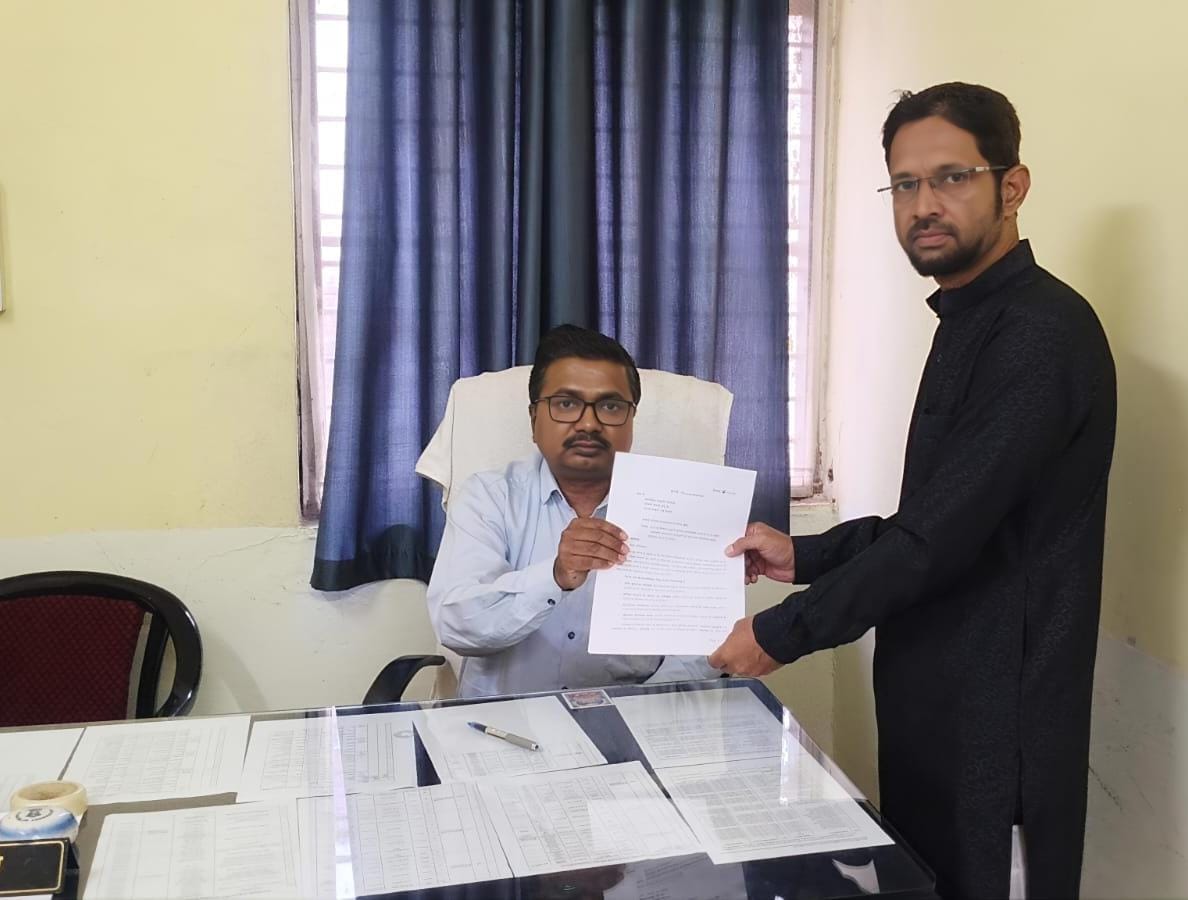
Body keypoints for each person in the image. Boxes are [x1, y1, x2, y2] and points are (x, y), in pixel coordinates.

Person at [708, 83, 1117, 900]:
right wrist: (804, 555)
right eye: (905, 183)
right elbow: (934, 518)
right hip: (932, 717)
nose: (924, 204)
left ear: (1012, 186)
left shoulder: (1040, 334)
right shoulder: (969, 320)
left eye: (952, 177)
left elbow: (937, 538)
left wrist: (781, 633)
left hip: (998, 740)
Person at [428, 324, 718, 698]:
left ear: (631, 421)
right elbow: (457, 624)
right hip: (505, 722)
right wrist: (555, 576)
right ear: (534, 419)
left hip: (633, 719)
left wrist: (639, 709)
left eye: (610, 406)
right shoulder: (488, 498)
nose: (588, 423)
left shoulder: (679, 510)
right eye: (566, 404)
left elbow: (699, 651)